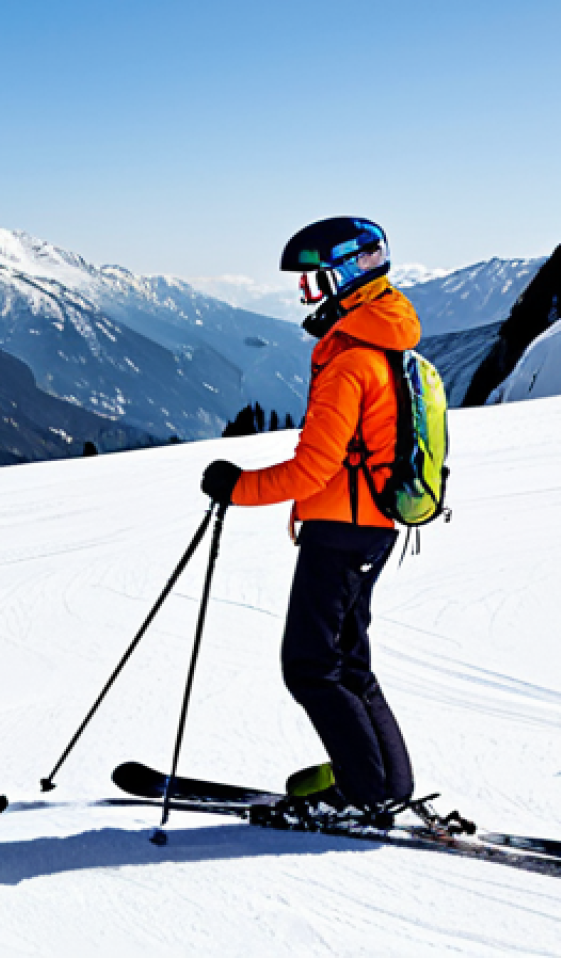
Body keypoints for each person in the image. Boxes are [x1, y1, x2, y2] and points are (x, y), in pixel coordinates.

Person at [202, 216, 417, 822]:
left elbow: (311, 469)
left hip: (341, 532)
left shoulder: (351, 360)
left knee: (310, 665)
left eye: (311, 283)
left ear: (343, 276)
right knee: (349, 663)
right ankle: (384, 783)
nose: (304, 296)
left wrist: (235, 487)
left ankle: (364, 792)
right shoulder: (386, 342)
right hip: (371, 527)